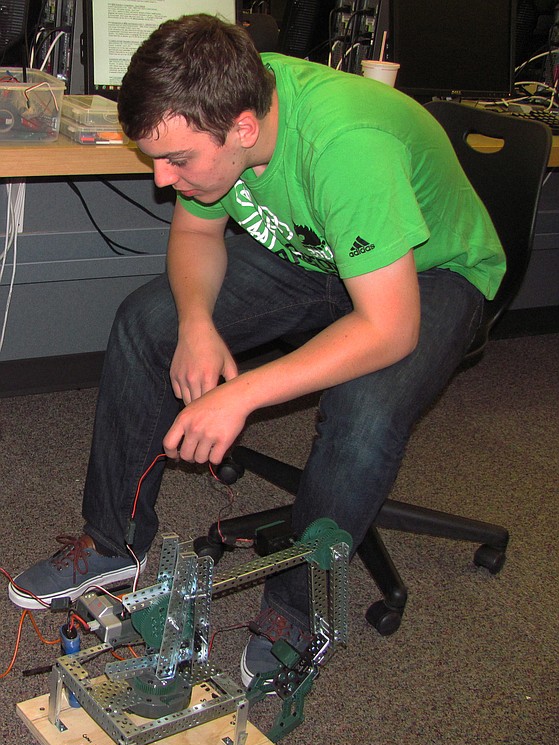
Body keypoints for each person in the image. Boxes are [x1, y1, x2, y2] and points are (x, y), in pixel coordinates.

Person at [8, 14, 505, 686]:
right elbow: (196, 237)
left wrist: (239, 393)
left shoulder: (345, 145)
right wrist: (195, 325)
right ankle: (112, 545)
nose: (161, 179)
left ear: (244, 129)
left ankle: (296, 612)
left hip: (427, 275)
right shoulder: (219, 91)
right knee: (143, 322)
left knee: (362, 413)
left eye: (178, 160)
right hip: (312, 250)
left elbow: (388, 327)